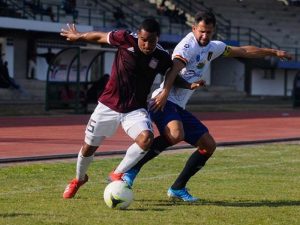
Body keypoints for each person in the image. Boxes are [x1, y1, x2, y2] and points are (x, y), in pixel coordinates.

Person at [113, 10, 293, 202]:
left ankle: (177, 188)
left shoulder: (213, 47)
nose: (204, 35)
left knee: (208, 145)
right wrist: (165, 92)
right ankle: (131, 170)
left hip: (178, 106)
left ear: (213, 31)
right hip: (162, 102)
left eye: (208, 32)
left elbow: (243, 51)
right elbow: (173, 69)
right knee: (175, 134)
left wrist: (273, 52)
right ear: (193, 28)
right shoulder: (187, 46)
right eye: (201, 31)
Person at [60, 18, 179, 199]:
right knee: (88, 148)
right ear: (138, 35)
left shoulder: (161, 56)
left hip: (135, 109)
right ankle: (79, 179)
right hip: (108, 105)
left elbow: (172, 72)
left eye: (152, 41)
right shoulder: (124, 38)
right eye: (144, 40)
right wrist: (79, 36)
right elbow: (100, 37)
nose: (147, 44)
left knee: (146, 139)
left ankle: (118, 172)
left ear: (158, 38)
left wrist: (173, 89)